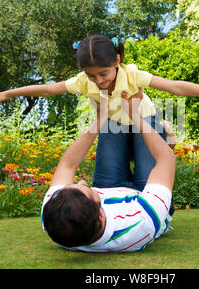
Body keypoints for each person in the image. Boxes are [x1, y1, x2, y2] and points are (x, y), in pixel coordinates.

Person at [0, 34, 199, 192]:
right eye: (92, 76)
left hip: (144, 122)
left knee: (145, 182)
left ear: (117, 60)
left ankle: (166, 135)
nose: (99, 81)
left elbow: (175, 88)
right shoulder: (83, 81)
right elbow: (47, 89)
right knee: (107, 183)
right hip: (112, 124)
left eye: (103, 73)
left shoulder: (132, 75)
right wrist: (10, 93)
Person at [41, 90, 176, 252]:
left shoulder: (54, 216)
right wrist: (135, 115)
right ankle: (163, 132)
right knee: (146, 119)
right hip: (145, 196)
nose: (82, 181)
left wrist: (100, 118)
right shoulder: (142, 222)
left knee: (113, 119)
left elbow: (67, 165)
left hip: (109, 187)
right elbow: (166, 160)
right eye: (87, 189)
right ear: (101, 215)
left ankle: (151, 127)